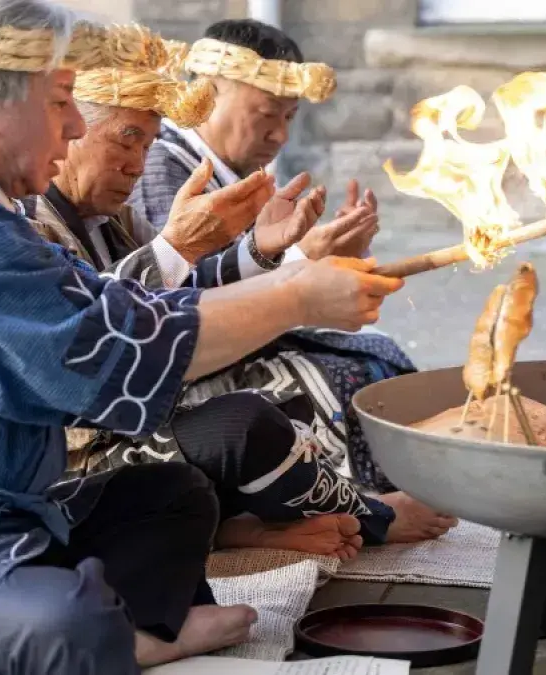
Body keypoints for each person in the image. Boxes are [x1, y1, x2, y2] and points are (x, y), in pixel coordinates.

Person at [0, 2, 404, 673]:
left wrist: (275, 267)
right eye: (59, 103)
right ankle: (117, 635)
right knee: (62, 625)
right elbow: (112, 348)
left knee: (174, 496)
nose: (76, 123)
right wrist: (297, 292)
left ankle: (117, 624)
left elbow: (127, 303)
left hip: (2, 517)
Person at [21, 67, 449, 554]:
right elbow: (92, 332)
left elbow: (176, 295)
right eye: (126, 141)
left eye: (146, 145)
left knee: (315, 384)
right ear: (71, 131)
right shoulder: (26, 222)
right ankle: (373, 515)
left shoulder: (112, 216)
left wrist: (262, 251)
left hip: (150, 408)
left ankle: (239, 527)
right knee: (247, 419)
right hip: (75, 461)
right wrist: (183, 248)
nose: (138, 165)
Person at [128, 19, 424, 498]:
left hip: (238, 341)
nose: (280, 136)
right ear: (206, 95)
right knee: (344, 377)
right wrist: (301, 259)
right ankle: (353, 505)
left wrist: (327, 257)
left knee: (379, 353)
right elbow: (181, 293)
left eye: (289, 118)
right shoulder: (168, 165)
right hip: (183, 370)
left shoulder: (235, 169)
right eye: (266, 115)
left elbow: (248, 266)